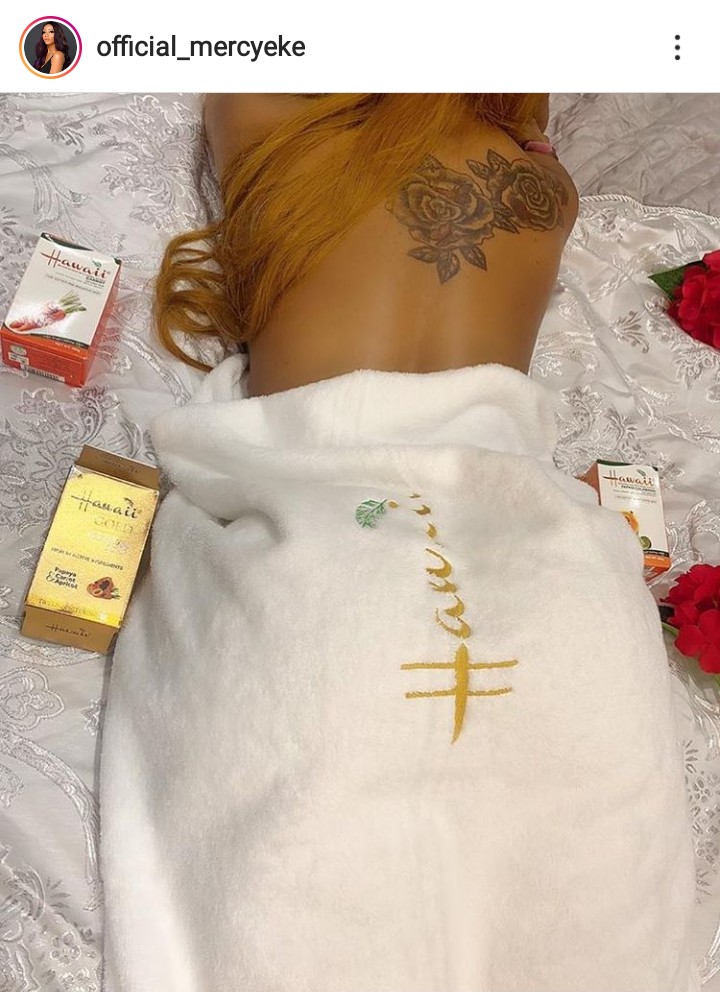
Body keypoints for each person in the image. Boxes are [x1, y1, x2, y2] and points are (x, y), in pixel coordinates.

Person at [99, 95, 698, 992]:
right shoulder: (543, 181)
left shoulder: (256, 114)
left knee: (306, 854)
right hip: (540, 546)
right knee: (584, 867)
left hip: (325, 503)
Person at [156, 94, 579, 394]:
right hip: (493, 479)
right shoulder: (550, 193)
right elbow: (532, 117)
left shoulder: (265, 125)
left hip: (307, 466)